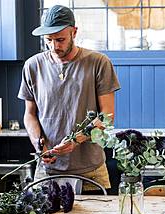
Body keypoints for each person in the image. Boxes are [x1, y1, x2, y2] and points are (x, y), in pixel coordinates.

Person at [18, 5, 120, 191]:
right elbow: (29, 114)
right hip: (48, 169)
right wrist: (38, 142)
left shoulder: (98, 63)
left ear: (74, 32)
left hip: (91, 170)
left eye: (60, 39)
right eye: (49, 40)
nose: (54, 46)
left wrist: (76, 140)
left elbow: (108, 115)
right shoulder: (33, 66)